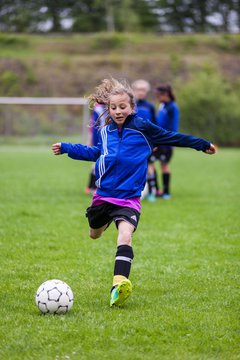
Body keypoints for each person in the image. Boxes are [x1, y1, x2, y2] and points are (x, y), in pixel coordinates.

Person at [52, 78, 216, 308]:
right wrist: (68, 148)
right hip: (104, 195)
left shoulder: (143, 127)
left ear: (131, 107)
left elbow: (173, 136)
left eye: (123, 107)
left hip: (129, 198)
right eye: (114, 107)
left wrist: (201, 144)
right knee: (94, 234)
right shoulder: (106, 131)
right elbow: (96, 152)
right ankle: (106, 221)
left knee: (125, 236)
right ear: (108, 108)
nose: (118, 111)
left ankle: (118, 286)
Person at [132, 79, 161, 201]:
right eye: (138, 89)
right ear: (134, 90)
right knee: (133, 166)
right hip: (133, 142)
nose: (141, 92)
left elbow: (155, 125)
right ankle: (133, 191)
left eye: (143, 90)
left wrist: (155, 141)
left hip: (147, 142)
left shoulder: (150, 107)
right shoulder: (130, 105)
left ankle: (152, 192)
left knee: (150, 166)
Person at [154, 84, 179, 199]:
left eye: (159, 95)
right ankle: (156, 190)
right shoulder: (162, 106)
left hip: (166, 141)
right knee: (151, 163)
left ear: (166, 94)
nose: (158, 97)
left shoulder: (172, 107)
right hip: (157, 139)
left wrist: (172, 141)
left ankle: (166, 192)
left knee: (164, 165)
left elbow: (174, 125)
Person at [85, 103, 107, 194]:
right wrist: (90, 139)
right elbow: (93, 126)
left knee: (96, 164)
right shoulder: (98, 109)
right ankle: (93, 187)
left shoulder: (109, 107)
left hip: (102, 138)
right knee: (97, 163)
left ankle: (90, 187)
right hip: (99, 139)